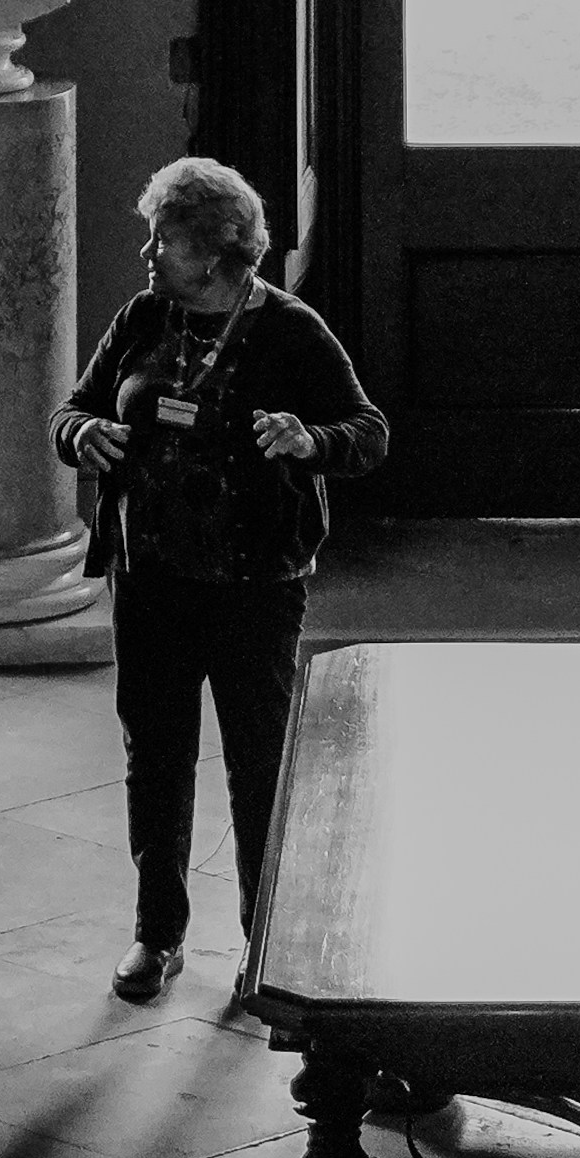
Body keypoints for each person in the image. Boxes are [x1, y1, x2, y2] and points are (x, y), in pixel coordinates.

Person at [54, 155, 387, 999]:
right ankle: (155, 935)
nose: (146, 255)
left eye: (159, 238)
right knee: (154, 758)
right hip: (152, 579)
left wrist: (310, 440)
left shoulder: (288, 329)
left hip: (255, 590)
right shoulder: (142, 316)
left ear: (213, 251)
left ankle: (263, 941)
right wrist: (80, 436)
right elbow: (76, 406)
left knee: (257, 764)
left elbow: (369, 429)